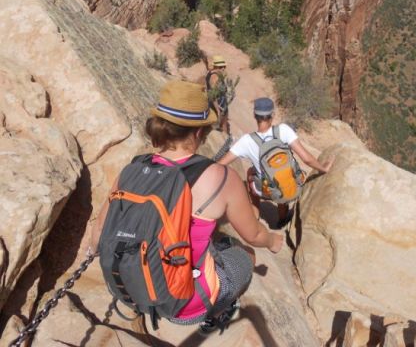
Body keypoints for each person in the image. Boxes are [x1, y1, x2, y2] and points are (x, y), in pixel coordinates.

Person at [90, 81, 283, 334]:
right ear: (199, 133)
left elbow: (97, 239)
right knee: (246, 255)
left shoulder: (132, 171)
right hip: (186, 306)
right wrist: (273, 241)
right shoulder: (220, 177)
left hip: (132, 290)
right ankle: (219, 311)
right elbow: (253, 235)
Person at [218, 97, 334, 228]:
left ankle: (255, 214)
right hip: (289, 185)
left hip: (265, 189)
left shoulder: (246, 141)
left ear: (254, 116)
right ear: (272, 115)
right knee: (281, 172)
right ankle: (282, 218)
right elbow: (306, 159)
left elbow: (221, 164)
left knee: (250, 173)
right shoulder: (283, 130)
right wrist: (323, 168)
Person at [205, 55, 230, 134]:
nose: (223, 68)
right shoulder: (215, 77)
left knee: (223, 124)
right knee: (223, 126)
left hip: (218, 104)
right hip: (218, 105)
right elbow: (212, 94)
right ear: (215, 66)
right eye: (220, 67)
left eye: (224, 66)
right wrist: (218, 109)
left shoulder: (211, 73)